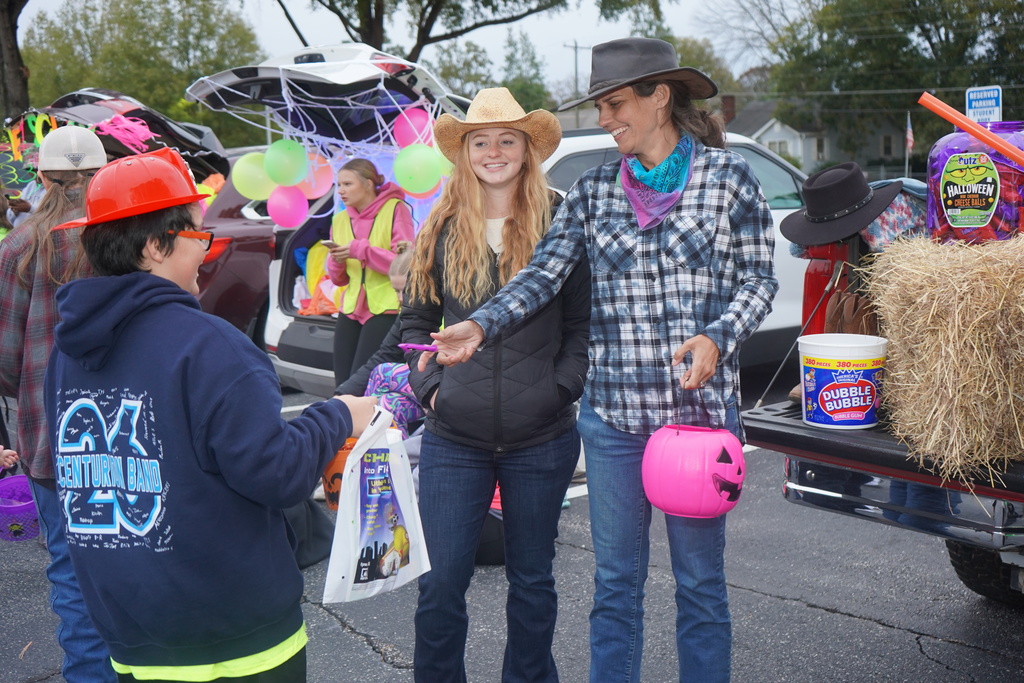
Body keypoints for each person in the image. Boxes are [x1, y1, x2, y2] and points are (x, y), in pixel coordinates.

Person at [425, 39, 778, 683]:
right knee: (616, 586)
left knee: (700, 585)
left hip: (699, 422)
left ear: (659, 97)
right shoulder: (592, 192)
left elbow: (759, 281)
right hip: (613, 423)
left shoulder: (729, 179)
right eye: (600, 106)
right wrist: (479, 324)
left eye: (614, 104)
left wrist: (718, 336)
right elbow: (542, 276)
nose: (605, 118)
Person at [43, 146, 377, 683]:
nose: (207, 247)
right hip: (234, 638)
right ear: (155, 245)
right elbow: (277, 472)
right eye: (198, 234)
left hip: (130, 630)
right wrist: (338, 414)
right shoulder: (209, 345)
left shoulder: (66, 350)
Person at [401, 86, 591, 683]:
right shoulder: (441, 224)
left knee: (533, 582)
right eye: (480, 142)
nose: (494, 152)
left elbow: (583, 325)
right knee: (440, 584)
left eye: (507, 140)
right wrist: (433, 390)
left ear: (527, 149)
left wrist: (559, 390)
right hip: (454, 436)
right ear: (464, 153)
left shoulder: (561, 218)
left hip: (543, 437)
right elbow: (413, 324)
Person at [0, 125, 116, 682]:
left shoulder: (19, 245)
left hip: (51, 433)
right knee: (139, 560)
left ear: (42, 177)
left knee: (71, 571)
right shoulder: (123, 234)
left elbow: (5, 357)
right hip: (130, 427)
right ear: (103, 171)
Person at [326, 158, 415, 387]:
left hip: (386, 306)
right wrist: (336, 260)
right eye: (339, 185)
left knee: (364, 382)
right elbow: (338, 279)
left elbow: (405, 264)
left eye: (347, 184)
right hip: (351, 307)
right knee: (342, 382)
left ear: (368, 184)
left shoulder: (396, 209)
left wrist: (360, 250)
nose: (341, 191)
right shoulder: (339, 220)